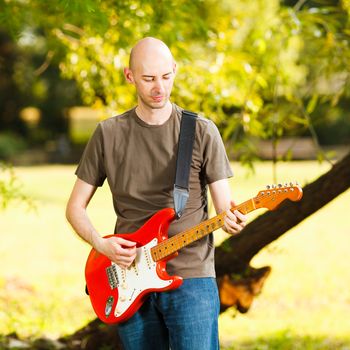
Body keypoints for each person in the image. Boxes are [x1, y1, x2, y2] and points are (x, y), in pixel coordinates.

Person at [66, 37, 247, 350]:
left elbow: (223, 206)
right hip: (127, 277)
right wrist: (102, 245)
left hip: (191, 276)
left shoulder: (201, 130)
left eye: (166, 76)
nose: (159, 87)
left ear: (175, 70)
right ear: (130, 76)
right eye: (148, 78)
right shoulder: (108, 134)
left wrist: (231, 218)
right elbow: (75, 208)